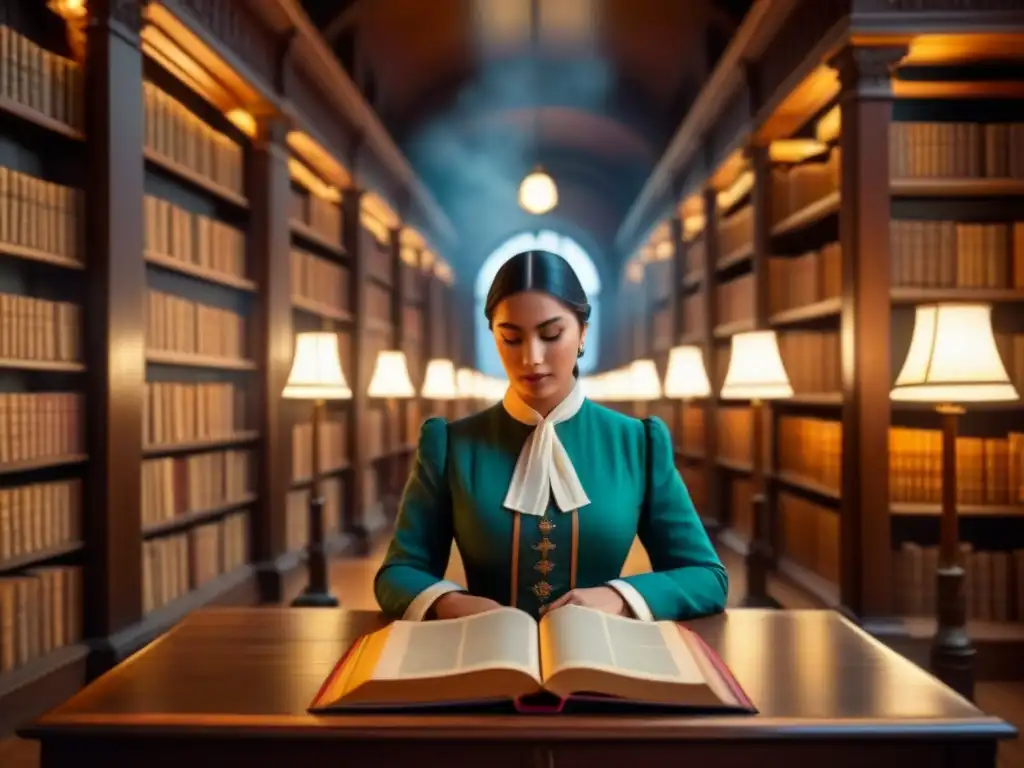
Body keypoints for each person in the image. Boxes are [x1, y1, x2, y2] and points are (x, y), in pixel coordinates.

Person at [374, 249, 728, 623]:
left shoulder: (638, 443)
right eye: (511, 338)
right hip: (486, 660)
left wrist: (620, 597)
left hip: (605, 660)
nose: (532, 358)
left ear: (582, 333)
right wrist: (451, 603)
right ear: (493, 335)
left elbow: (707, 577)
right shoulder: (450, 444)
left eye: (551, 334)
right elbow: (397, 573)